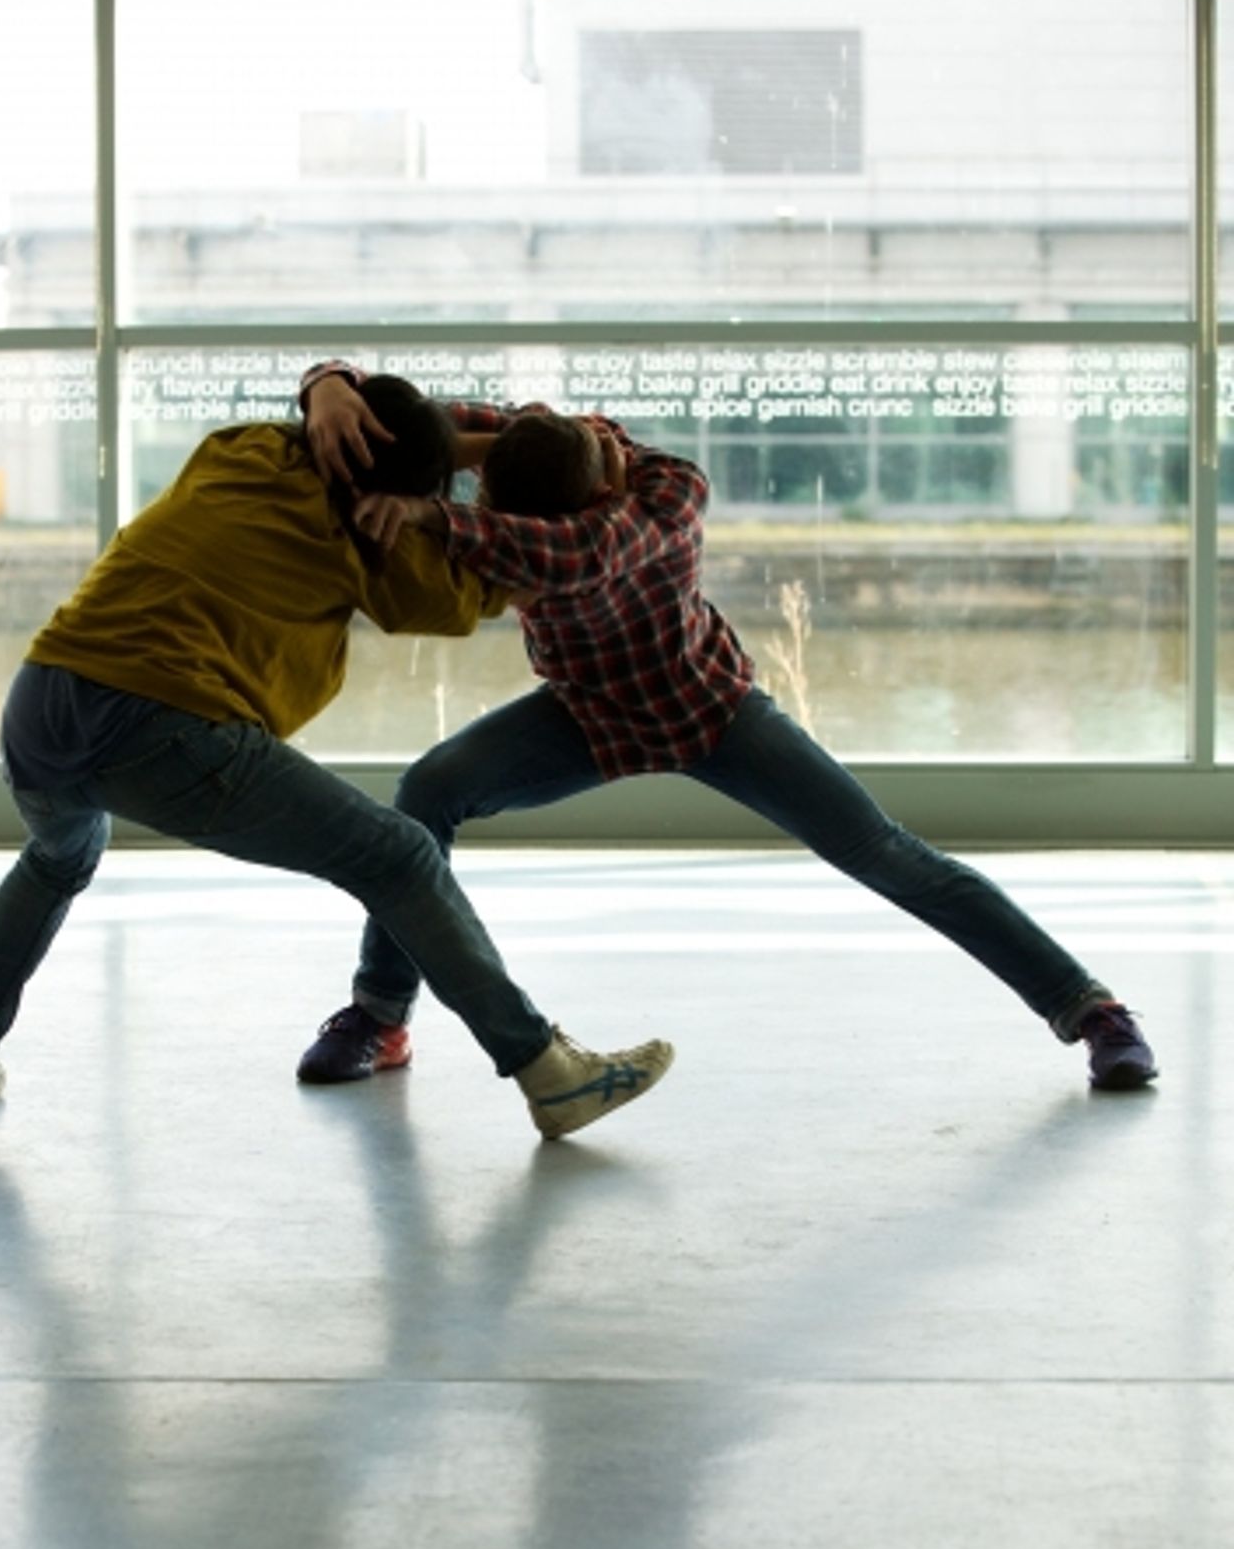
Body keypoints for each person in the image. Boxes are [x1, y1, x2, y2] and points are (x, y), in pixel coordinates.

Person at [296, 365, 1157, 1094]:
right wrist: (329, 387)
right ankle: (380, 1015)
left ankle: (1092, 1010)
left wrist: (433, 515)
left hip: (708, 709)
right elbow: (409, 426)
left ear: (600, 490)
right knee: (426, 792)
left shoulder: (670, 494)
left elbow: (580, 553)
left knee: (885, 851)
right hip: (585, 713)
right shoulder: (530, 442)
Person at [0, 378, 673, 1141]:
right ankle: (550, 1074)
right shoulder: (378, 537)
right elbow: (520, 574)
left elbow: (385, 435)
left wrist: (329, 389)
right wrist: (595, 487)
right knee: (402, 856)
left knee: (56, 860)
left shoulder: (242, 450)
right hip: (166, 727)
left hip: (42, 705)